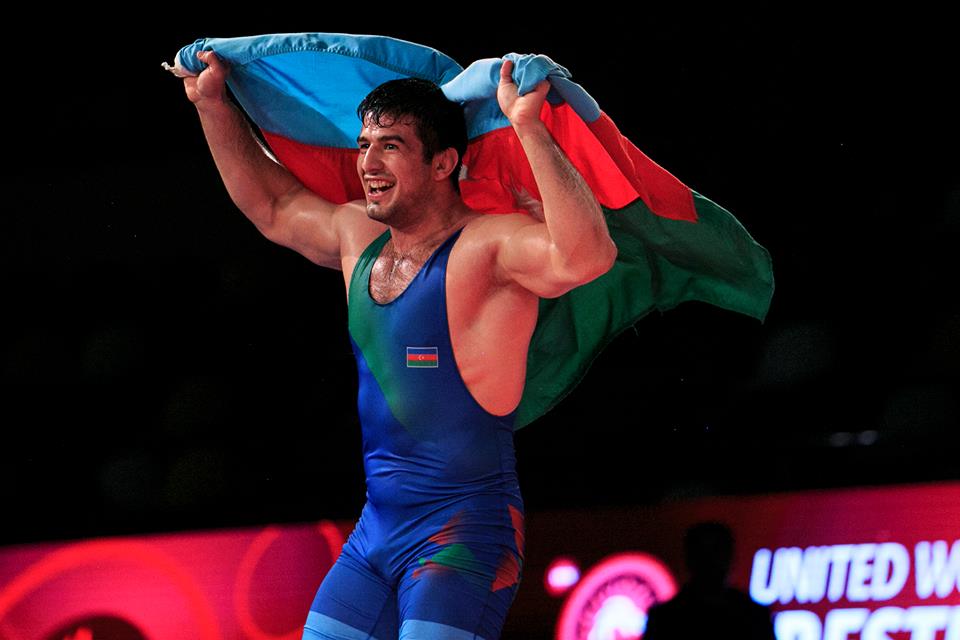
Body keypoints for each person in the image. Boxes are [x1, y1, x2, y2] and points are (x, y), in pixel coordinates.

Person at [182, 48, 616, 639]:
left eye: (390, 146)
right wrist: (211, 104)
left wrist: (528, 127)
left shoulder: (488, 247)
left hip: (465, 535)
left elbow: (586, 258)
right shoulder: (358, 237)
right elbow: (274, 206)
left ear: (443, 163)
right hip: (375, 534)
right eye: (364, 144)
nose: (367, 162)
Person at [643, 522, 776, 640]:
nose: (711, 562)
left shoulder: (665, 617)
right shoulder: (753, 614)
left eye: (716, 552)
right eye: (703, 553)